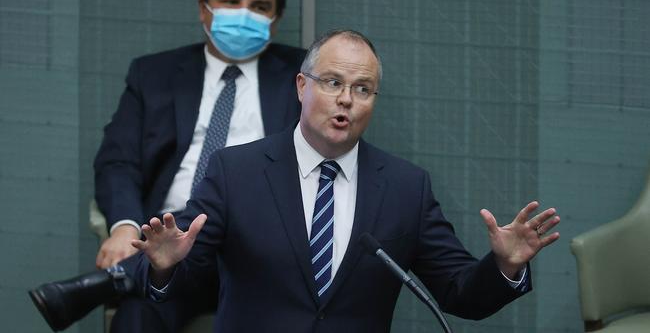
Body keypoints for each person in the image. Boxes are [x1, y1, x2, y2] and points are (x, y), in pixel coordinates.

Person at [130, 29, 561, 332]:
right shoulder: (235, 171)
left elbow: (457, 293)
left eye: (363, 89)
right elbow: (184, 282)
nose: (346, 100)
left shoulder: (405, 188)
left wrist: (505, 265)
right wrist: (165, 266)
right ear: (301, 86)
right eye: (333, 82)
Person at [29, 0, 305, 331]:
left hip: (259, 252)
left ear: (275, 18)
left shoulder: (303, 78)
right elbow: (118, 161)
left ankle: (117, 278)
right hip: (169, 247)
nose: (243, 15)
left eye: (258, 6)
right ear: (203, 8)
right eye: (230, 1)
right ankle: (132, 275)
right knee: (137, 315)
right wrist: (125, 227)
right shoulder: (153, 74)